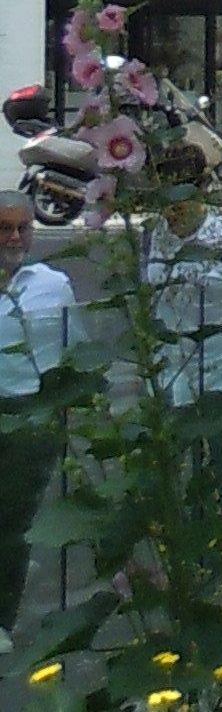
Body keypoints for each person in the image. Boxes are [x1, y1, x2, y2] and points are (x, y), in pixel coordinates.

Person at [133, 149, 222, 517]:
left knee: (214, 484)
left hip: (219, 380)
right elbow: (147, 308)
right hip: (166, 380)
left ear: (200, 191)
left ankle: (216, 539)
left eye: (180, 199)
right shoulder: (152, 238)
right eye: (163, 199)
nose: (171, 211)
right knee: (162, 484)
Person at [0, 194, 76, 639]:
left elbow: (74, 351)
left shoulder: (53, 285)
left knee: (12, 523)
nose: (14, 237)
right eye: (3, 228)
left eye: (22, 228)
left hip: (31, 415)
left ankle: (2, 622)